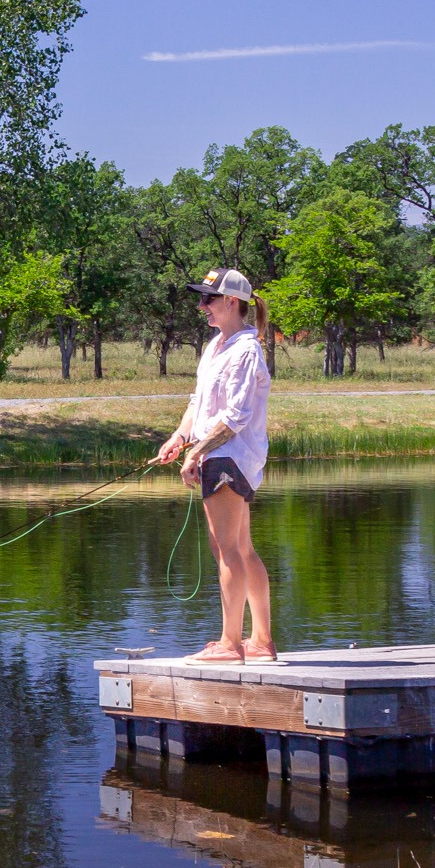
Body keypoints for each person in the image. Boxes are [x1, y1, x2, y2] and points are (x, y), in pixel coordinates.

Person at [151, 267, 275, 664]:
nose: (201, 305)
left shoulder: (245, 349)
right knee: (241, 547)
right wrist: (179, 438)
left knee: (227, 550)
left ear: (231, 302)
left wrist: (196, 452)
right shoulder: (215, 345)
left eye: (208, 298)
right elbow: (198, 403)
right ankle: (261, 642)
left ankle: (230, 645)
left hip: (230, 457)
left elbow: (235, 416)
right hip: (216, 452)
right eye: (201, 297)